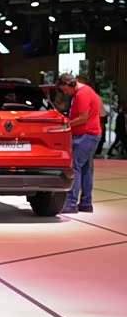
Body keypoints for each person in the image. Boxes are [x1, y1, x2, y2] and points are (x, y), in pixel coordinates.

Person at [59, 73, 102, 214]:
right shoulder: (83, 92)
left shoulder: (82, 94)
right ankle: (86, 203)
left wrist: (66, 124)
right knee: (86, 169)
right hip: (90, 134)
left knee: (75, 167)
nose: (65, 93)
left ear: (71, 84)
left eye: (65, 90)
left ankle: (71, 203)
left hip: (86, 135)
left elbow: (83, 118)